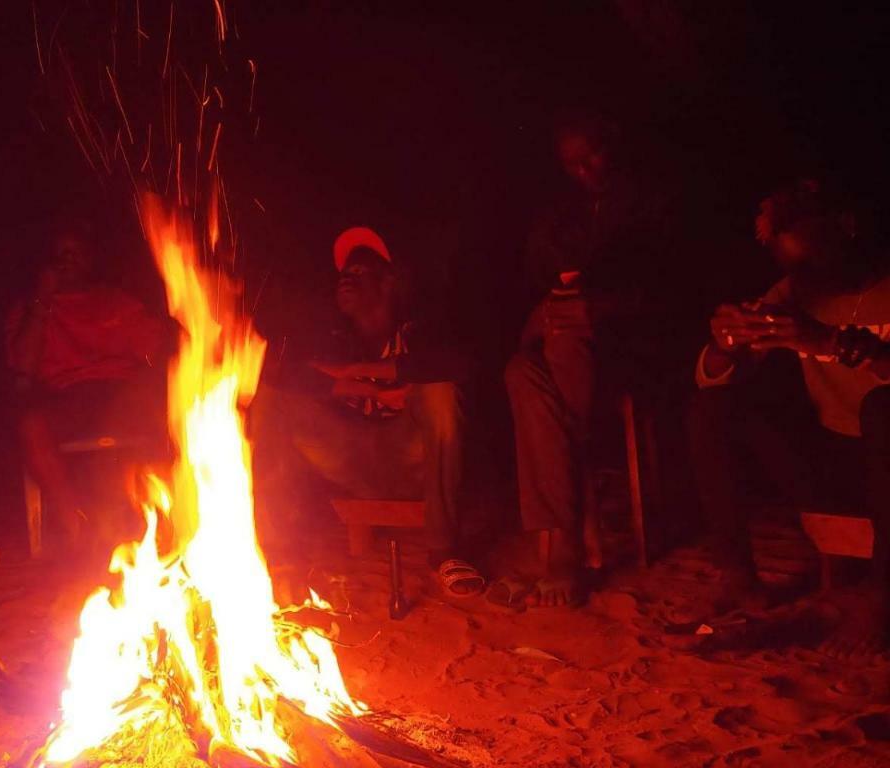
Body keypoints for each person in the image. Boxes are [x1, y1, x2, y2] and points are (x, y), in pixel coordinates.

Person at [687, 178, 890, 659]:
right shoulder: (796, 290)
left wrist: (832, 342)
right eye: (789, 266)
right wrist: (725, 344)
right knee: (713, 408)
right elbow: (711, 379)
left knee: (882, 407)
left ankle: (881, 596)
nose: (804, 277)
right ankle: (738, 577)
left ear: (847, 228)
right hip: (837, 463)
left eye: (811, 260)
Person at [251, 227, 486, 596]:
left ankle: (445, 552)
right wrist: (352, 382)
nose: (346, 277)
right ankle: (278, 546)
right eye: (344, 273)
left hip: (408, 457)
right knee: (272, 398)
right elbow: (284, 373)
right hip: (350, 457)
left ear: (389, 282)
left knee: (441, 391)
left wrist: (368, 371)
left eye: (359, 271)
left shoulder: (419, 331)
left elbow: (459, 364)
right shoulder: (332, 335)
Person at [504, 112, 669, 607]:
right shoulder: (563, 217)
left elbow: (674, 293)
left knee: (565, 343)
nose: (586, 170)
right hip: (571, 354)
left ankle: (566, 543)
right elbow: (539, 285)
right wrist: (552, 309)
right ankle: (577, 516)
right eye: (573, 165)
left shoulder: (651, 204)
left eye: (591, 155)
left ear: (611, 143)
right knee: (520, 370)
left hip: (638, 350)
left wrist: (602, 307)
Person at [7, 219, 167, 551]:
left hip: (121, 393)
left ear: (90, 260)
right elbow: (22, 366)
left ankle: (172, 518)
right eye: (61, 254)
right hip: (65, 397)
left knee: (175, 407)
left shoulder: (114, 302)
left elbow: (158, 349)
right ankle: (76, 528)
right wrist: (42, 299)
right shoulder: (32, 308)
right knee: (29, 423)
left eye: (76, 253)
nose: (69, 260)